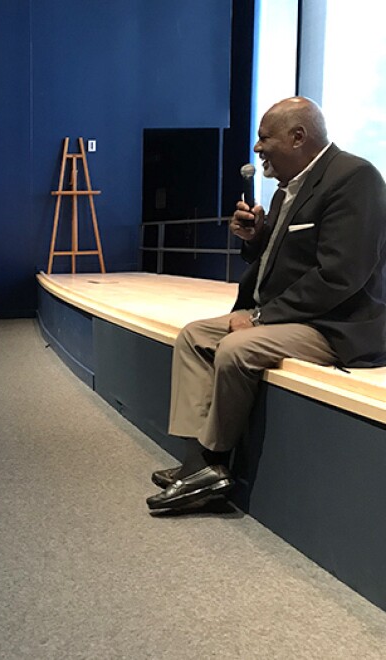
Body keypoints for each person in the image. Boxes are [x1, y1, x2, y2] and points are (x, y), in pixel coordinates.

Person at [148, 97, 386, 511]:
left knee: (238, 348)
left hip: (334, 324)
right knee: (192, 336)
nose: (257, 149)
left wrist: (260, 317)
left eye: (264, 138)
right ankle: (196, 461)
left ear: (298, 137)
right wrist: (256, 238)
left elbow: (341, 275)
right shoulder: (285, 191)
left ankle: (215, 464)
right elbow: (284, 260)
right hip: (288, 317)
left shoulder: (355, 178)